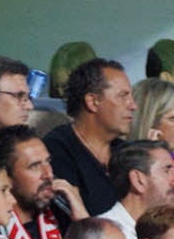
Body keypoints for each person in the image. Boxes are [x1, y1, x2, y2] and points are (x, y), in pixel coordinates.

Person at [40, 60, 133, 219]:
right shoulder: (56, 152)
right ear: (92, 102)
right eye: (123, 96)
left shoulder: (127, 152)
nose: (133, 105)